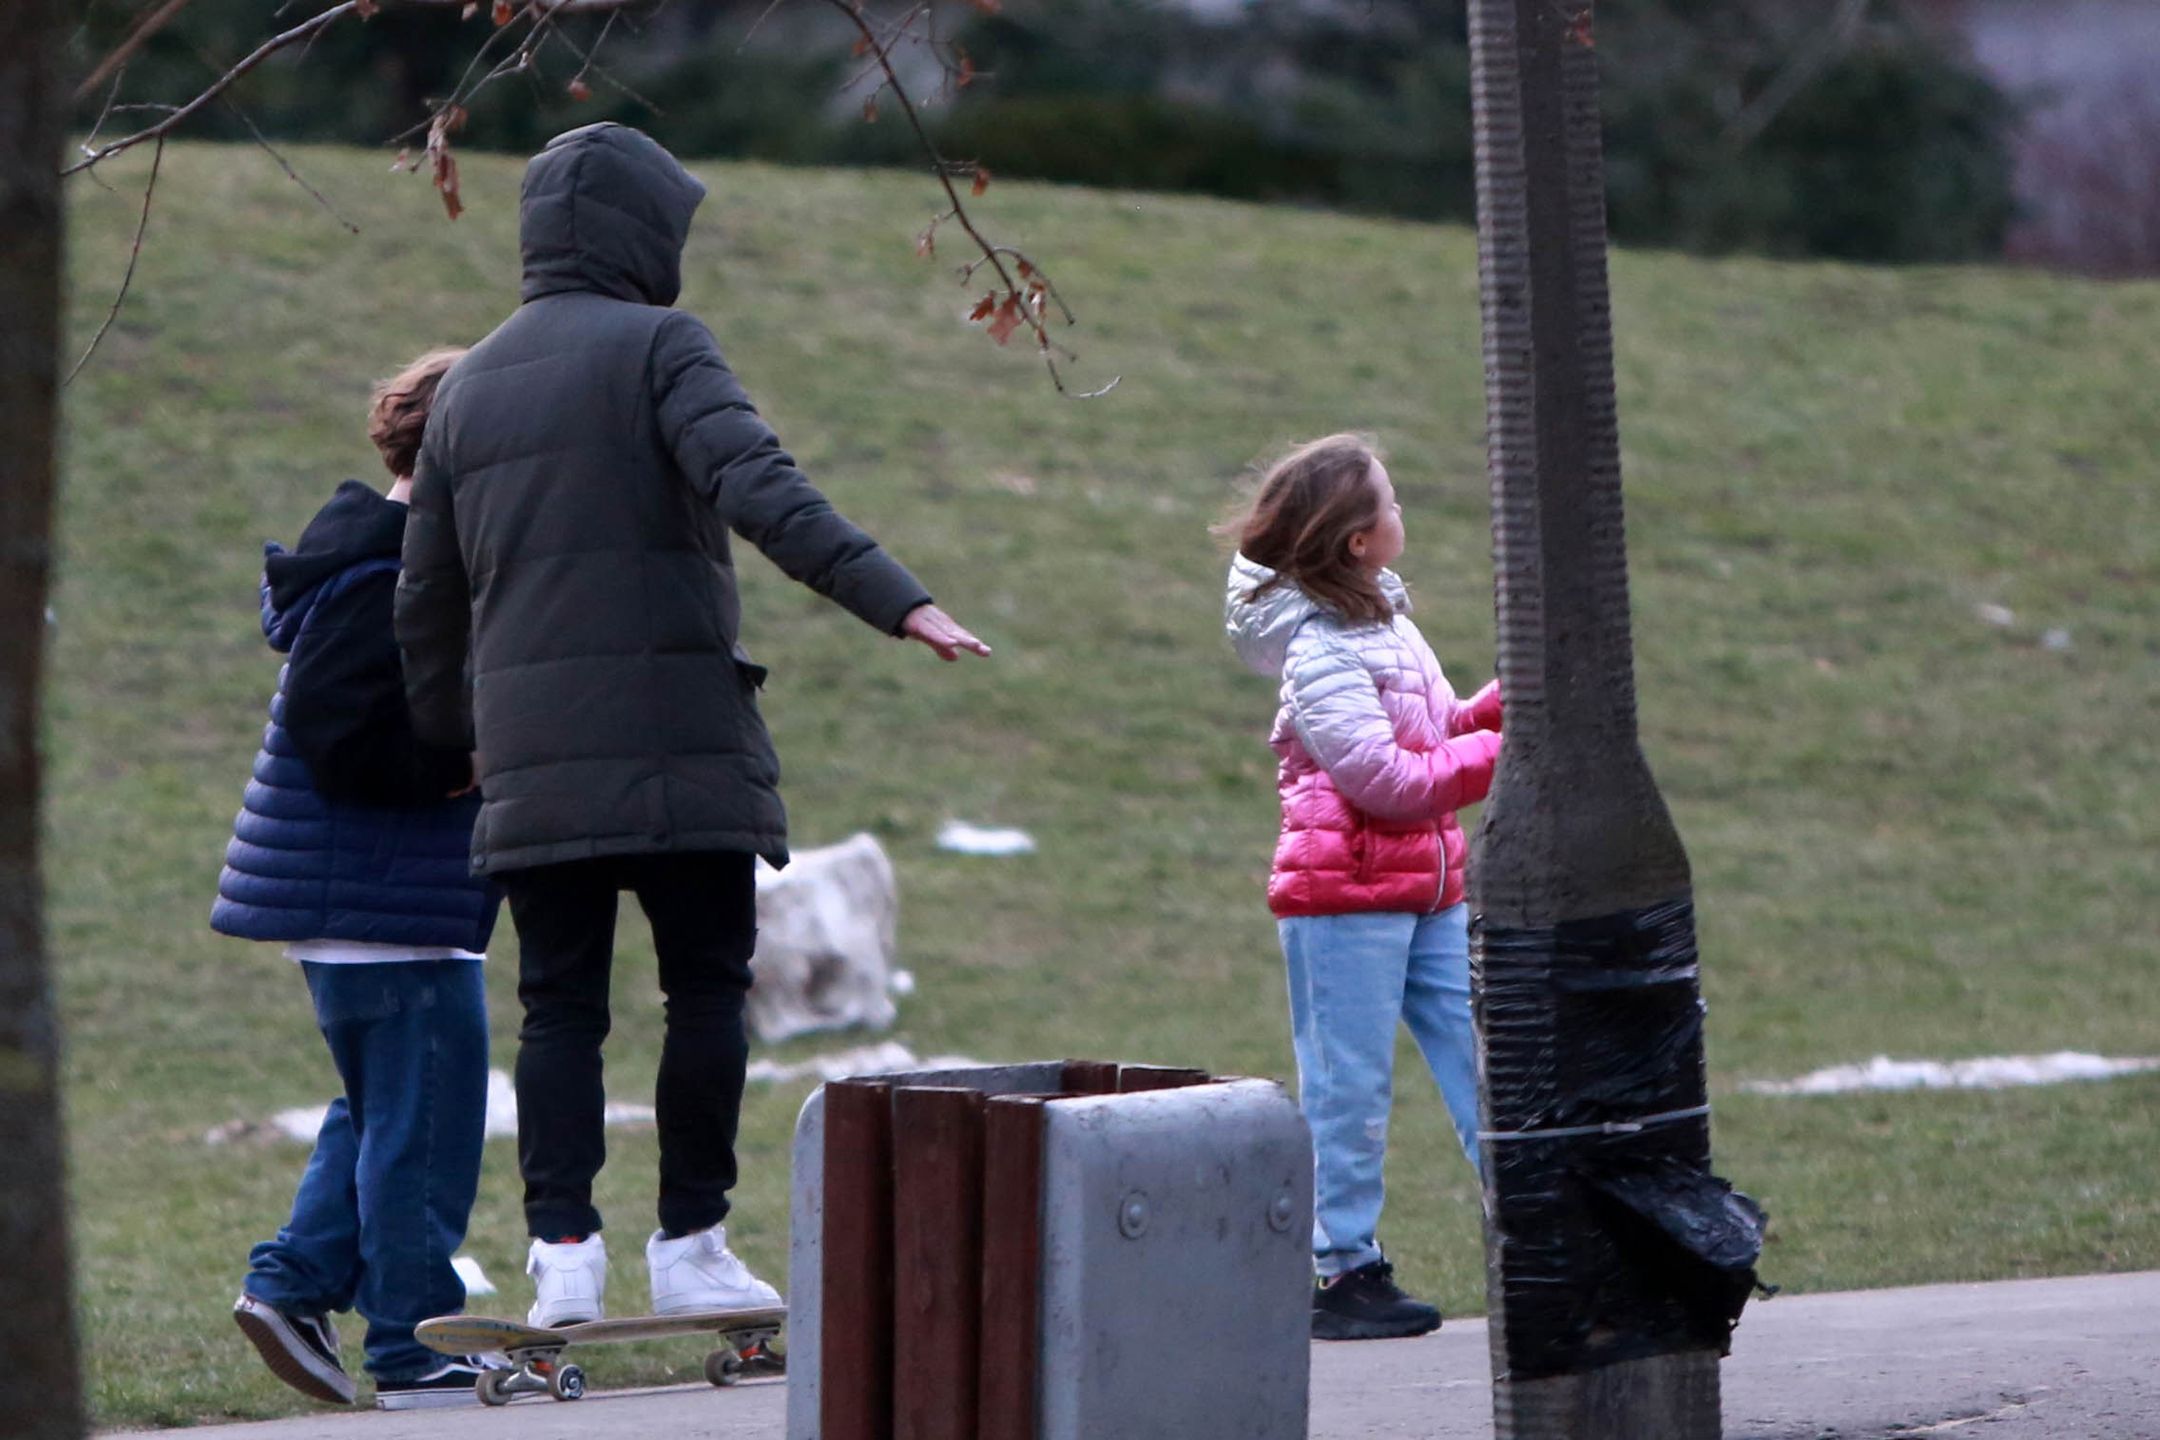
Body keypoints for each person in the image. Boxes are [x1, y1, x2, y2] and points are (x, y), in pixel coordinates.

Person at [395, 123, 989, 1328]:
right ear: (640, 232)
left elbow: (426, 597)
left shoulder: (468, 392)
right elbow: (761, 485)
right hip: (680, 749)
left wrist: (458, 738)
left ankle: (562, 1258)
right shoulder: (663, 345)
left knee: (559, 1006)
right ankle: (692, 1245)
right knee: (706, 993)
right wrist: (900, 600)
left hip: (529, 763)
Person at [215, 349, 500, 1409]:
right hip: (384, 907)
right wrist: (468, 766)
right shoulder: (382, 576)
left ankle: (288, 1287)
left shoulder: (378, 561)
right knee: (423, 1124)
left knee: (382, 1111)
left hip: (369, 908)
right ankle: (411, 1344)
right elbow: (342, 740)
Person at [1220, 433, 1504, 1341]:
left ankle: (1543, 1239)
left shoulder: (1385, 622)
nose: (1400, 515)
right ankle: (1343, 1272)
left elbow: (1439, 730)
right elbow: (1386, 780)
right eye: (1389, 502)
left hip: (1430, 888)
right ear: (1356, 541)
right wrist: (1508, 750)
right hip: (1345, 899)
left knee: (1490, 1060)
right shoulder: (1321, 652)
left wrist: (1511, 701)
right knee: (1349, 1088)